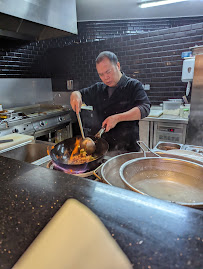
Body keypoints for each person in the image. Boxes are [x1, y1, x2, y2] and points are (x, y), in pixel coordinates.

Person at [70, 51, 150, 152]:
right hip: (101, 150)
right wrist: (75, 95)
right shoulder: (98, 89)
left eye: (108, 72)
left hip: (126, 150)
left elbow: (145, 108)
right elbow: (78, 93)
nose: (105, 77)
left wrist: (117, 118)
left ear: (118, 65)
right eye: (101, 74)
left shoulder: (133, 86)